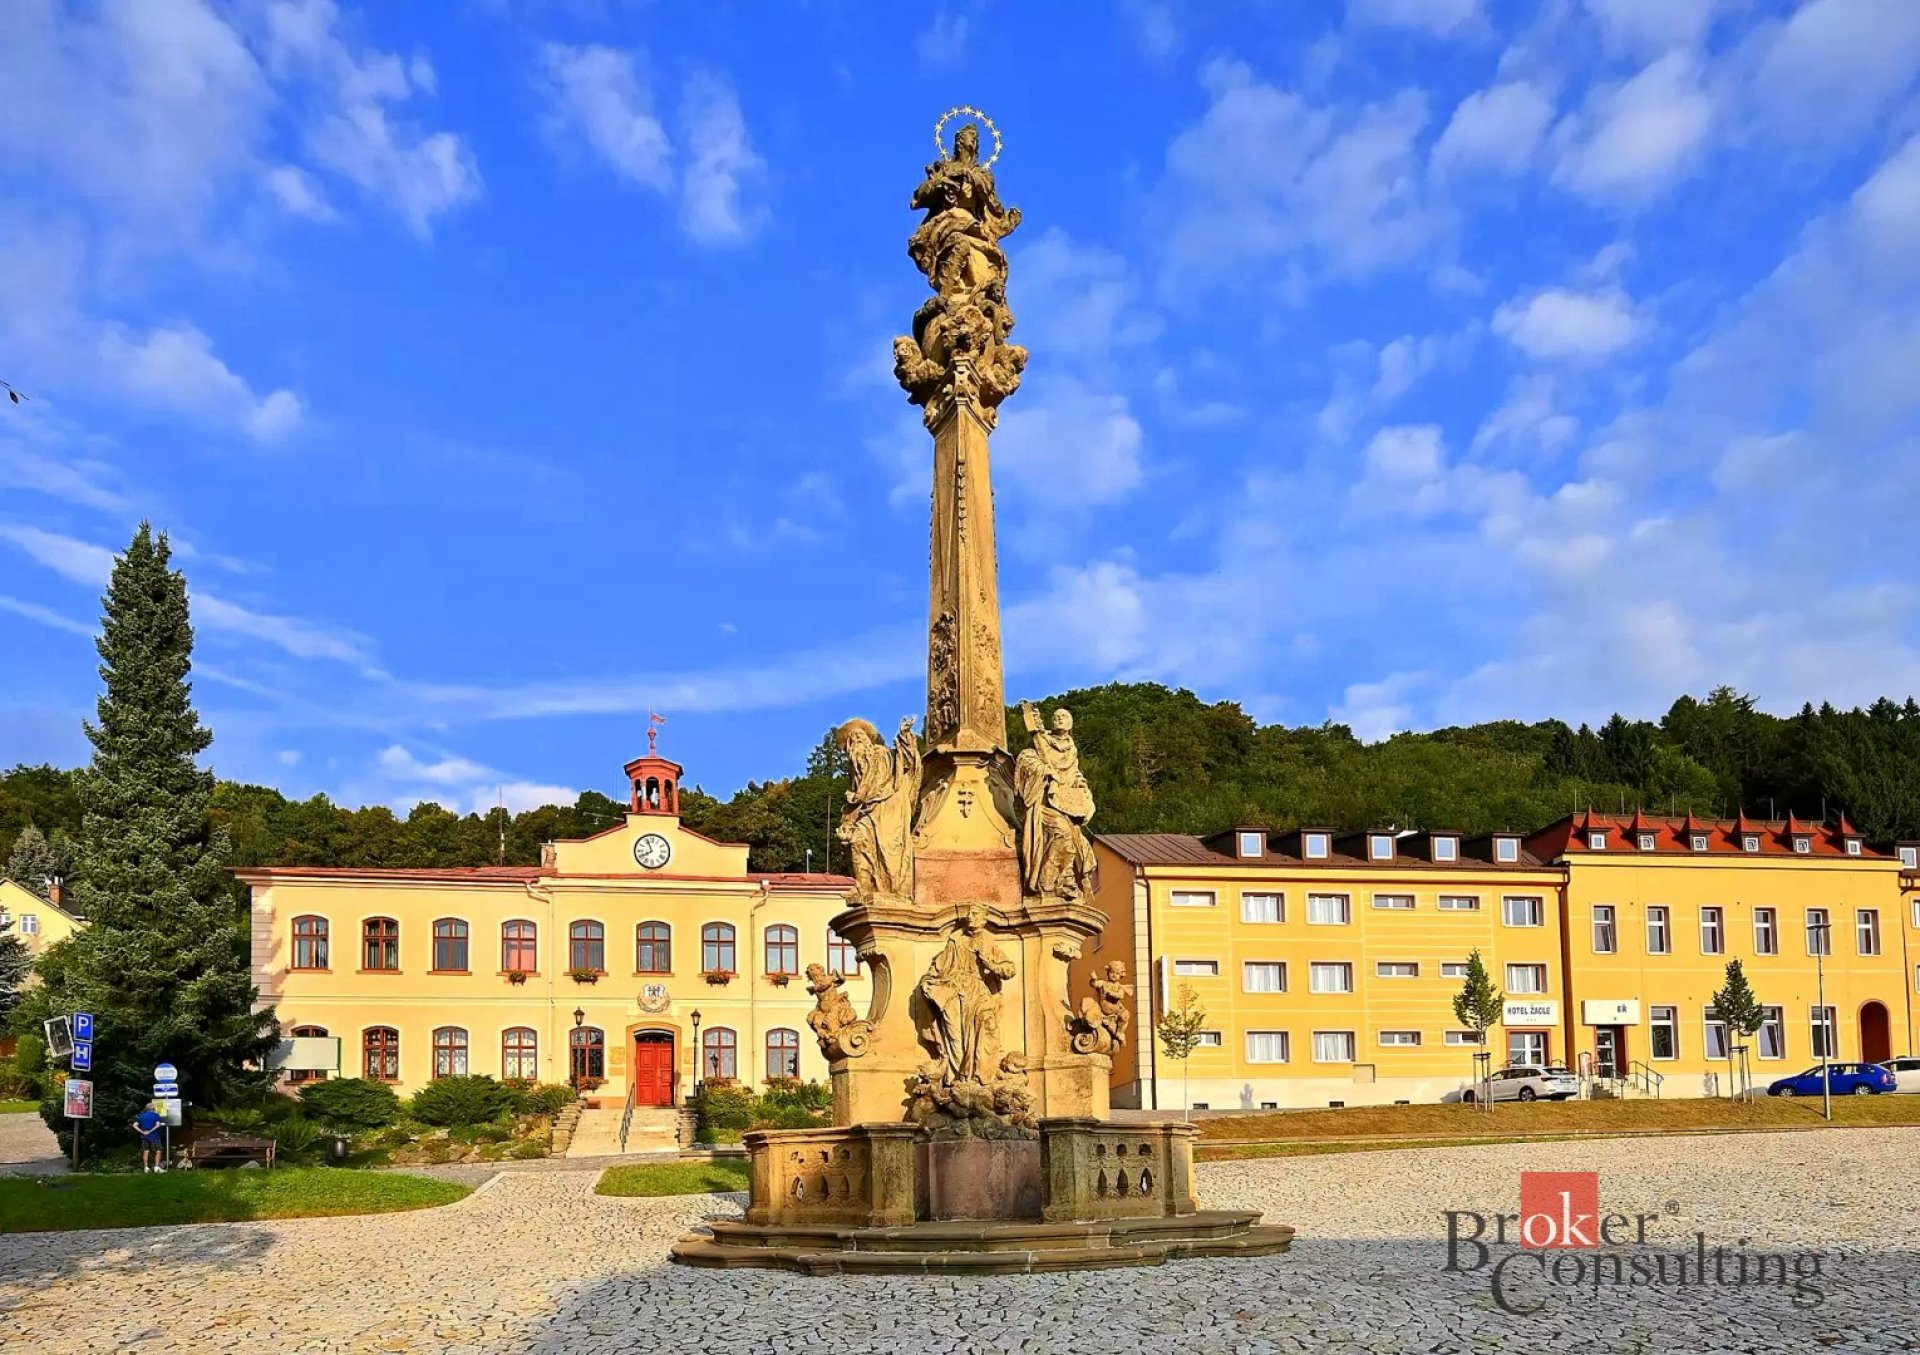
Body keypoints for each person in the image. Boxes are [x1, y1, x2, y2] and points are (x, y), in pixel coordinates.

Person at [133, 1103, 165, 1172]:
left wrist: (142, 1132)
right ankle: (157, 1167)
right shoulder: (155, 1115)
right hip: (154, 1136)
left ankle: (146, 1168)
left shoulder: (141, 1116)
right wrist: (150, 1131)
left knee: (146, 1151)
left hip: (144, 1136)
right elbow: (157, 1125)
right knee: (158, 1150)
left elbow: (134, 1125)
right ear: (153, 1108)